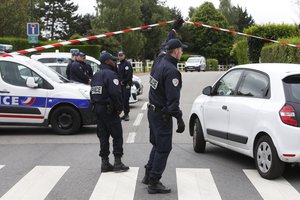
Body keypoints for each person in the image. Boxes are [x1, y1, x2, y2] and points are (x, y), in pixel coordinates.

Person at [142, 39, 186, 193]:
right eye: (181, 50)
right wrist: (179, 118)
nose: (182, 52)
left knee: (157, 144)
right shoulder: (171, 71)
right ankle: (154, 181)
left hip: (152, 112)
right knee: (164, 148)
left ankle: (148, 174)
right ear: (175, 51)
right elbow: (172, 100)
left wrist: (173, 30)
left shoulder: (159, 62)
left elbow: (163, 45)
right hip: (162, 115)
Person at [90, 52, 130, 173]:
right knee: (117, 135)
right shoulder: (111, 74)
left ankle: (105, 163)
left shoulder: (96, 75)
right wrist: (119, 108)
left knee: (103, 136)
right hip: (109, 110)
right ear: (107, 61)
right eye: (113, 60)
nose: (114, 62)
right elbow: (115, 93)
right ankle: (118, 162)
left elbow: (92, 93)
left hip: (98, 109)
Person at [117, 51, 133, 121]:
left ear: (124, 56)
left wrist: (123, 81)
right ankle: (124, 113)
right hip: (120, 85)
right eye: (119, 55)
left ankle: (126, 114)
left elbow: (129, 75)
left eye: (121, 55)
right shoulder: (119, 64)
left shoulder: (127, 64)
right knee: (121, 100)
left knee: (125, 99)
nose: (120, 57)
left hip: (126, 85)